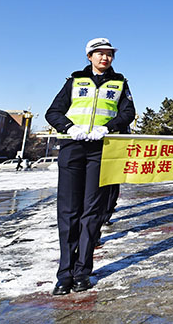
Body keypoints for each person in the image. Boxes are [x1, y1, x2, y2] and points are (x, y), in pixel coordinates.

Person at [45, 38, 135, 295]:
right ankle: (64, 274)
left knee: (92, 211)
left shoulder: (120, 83)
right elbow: (53, 112)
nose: (105, 58)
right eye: (100, 54)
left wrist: (107, 127)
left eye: (109, 54)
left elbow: (128, 113)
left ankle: (83, 271)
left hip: (100, 148)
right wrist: (68, 127)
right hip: (73, 148)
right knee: (69, 211)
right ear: (90, 56)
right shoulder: (74, 81)